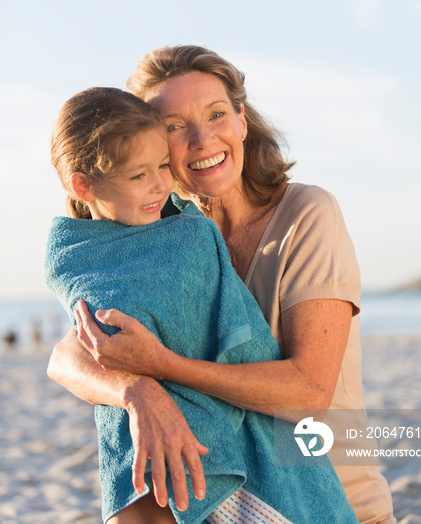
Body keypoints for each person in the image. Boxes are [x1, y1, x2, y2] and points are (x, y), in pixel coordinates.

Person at [48, 46, 396, 523]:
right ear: (147, 139)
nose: (202, 138)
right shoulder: (159, 236)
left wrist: (162, 366)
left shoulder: (306, 215)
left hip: (330, 497)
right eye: (174, 126)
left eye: (217, 115)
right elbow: (67, 357)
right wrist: (136, 391)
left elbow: (308, 392)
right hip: (213, 497)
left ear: (242, 122)